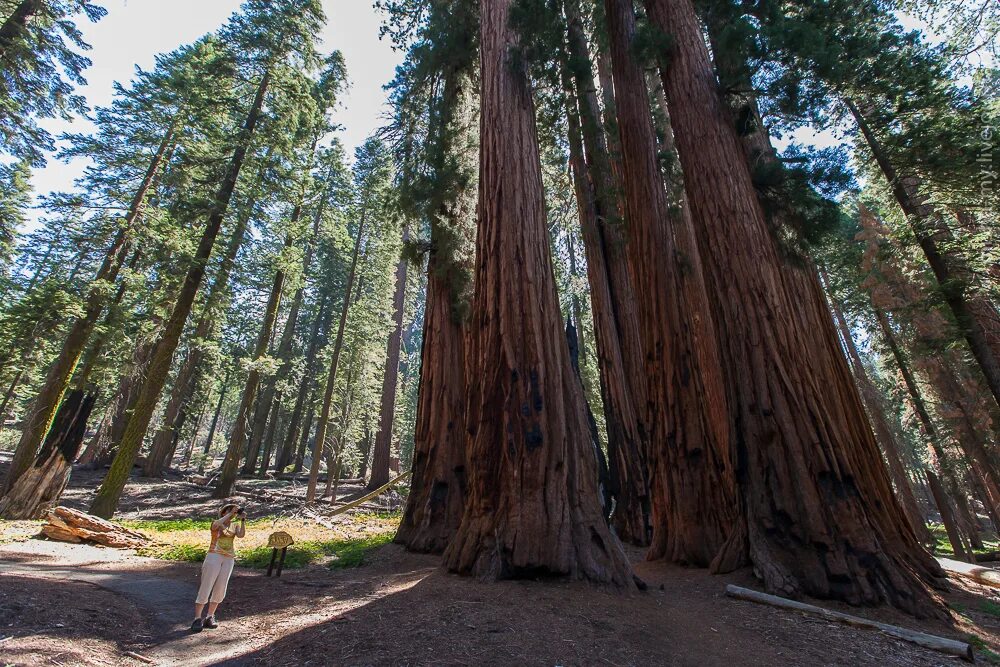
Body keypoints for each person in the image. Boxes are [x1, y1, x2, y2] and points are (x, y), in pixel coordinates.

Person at [191, 503, 246, 632]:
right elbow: (216, 525)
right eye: (231, 511)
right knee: (207, 585)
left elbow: (241, 535)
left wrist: (242, 520)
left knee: (221, 587)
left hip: (228, 558)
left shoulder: (234, 525)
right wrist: (229, 514)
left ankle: (210, 616)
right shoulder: (216, 522)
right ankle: (197, 618)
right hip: (213, 556)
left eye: (235, 511)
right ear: (224, 512)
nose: (234, 513)